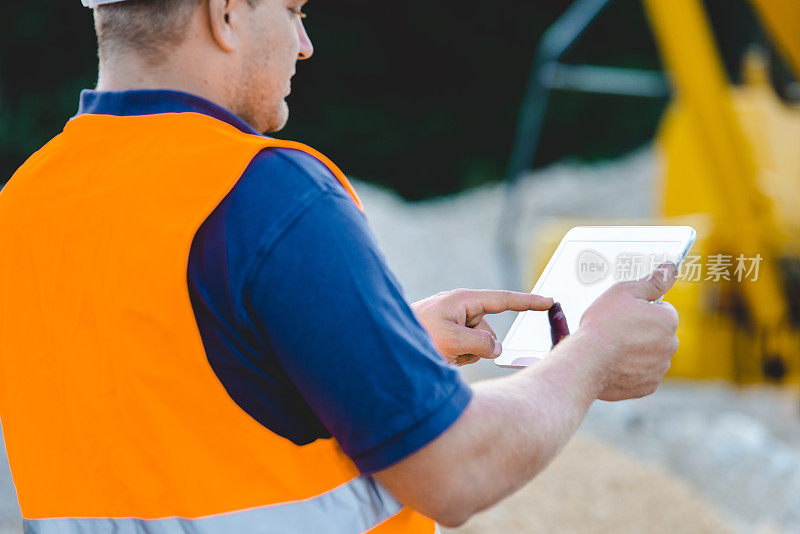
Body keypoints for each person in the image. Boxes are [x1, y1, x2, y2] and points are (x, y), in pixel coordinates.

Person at [0, 0, 680, 532]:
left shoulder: (22, 208)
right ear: (226, 12)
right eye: (294, 12)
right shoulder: (267, 196)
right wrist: (594, 354)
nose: (305, 44)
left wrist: (375, 343)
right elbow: (456, 472)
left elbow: (158, 403)